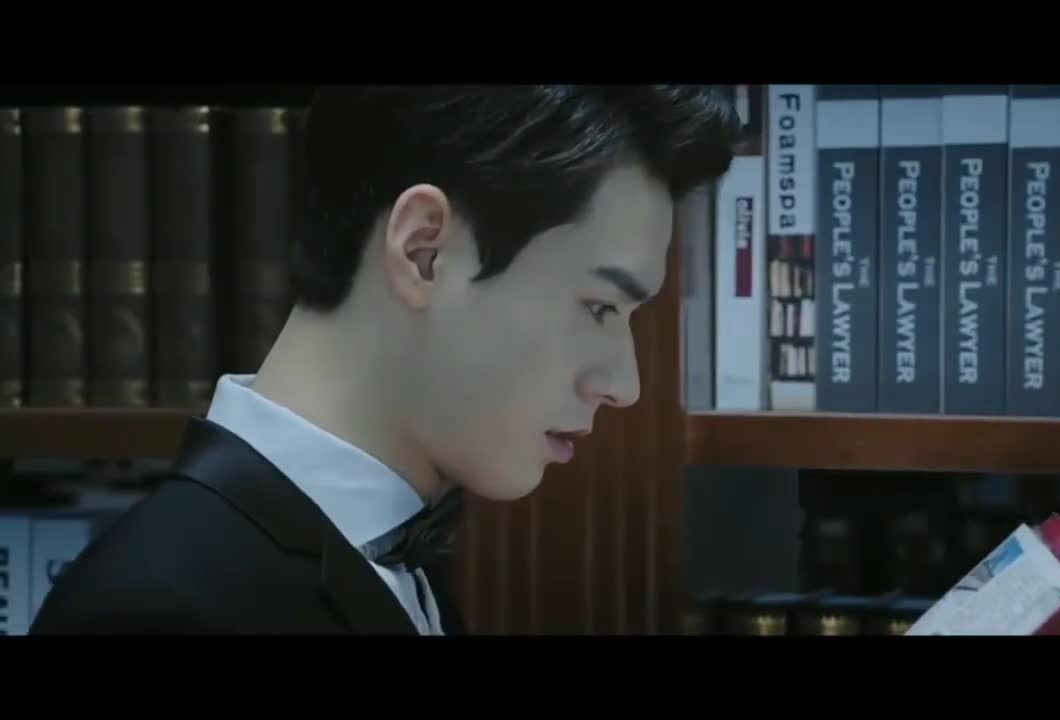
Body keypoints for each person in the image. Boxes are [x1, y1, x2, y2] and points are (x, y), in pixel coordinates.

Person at [28, 85, 740, 635]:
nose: (625, 386)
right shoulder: (156, 610)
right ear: (424, 251)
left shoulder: (399, 561)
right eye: (600, 308)